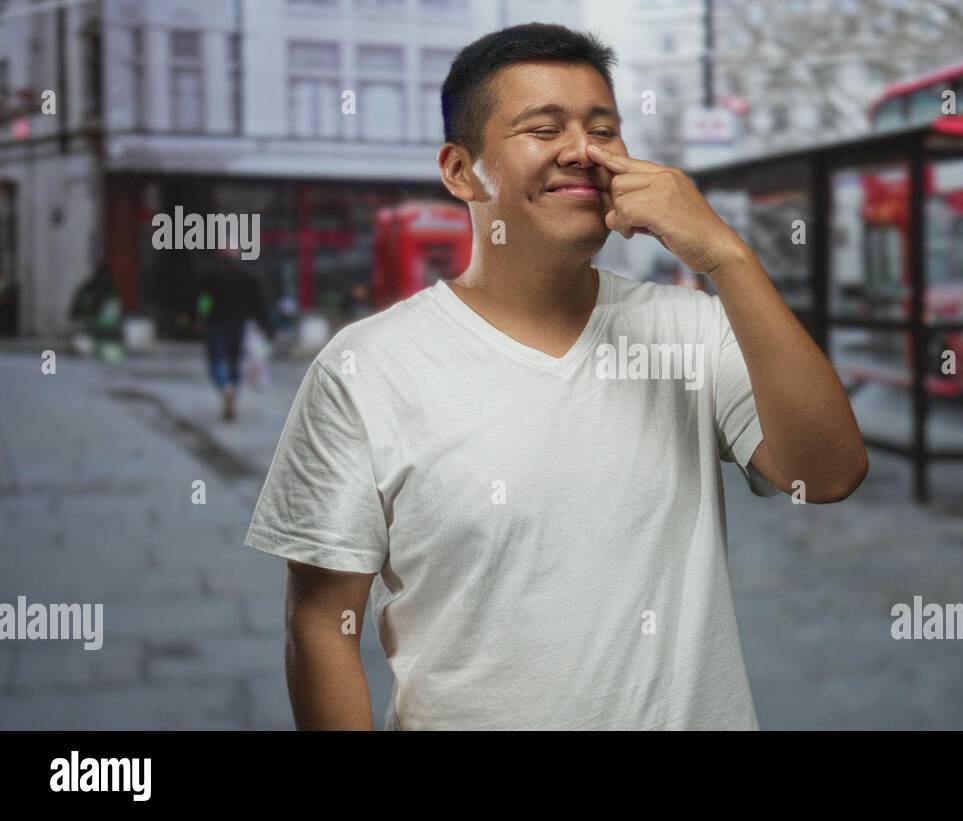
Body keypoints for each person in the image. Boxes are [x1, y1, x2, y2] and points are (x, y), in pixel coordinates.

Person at [244, 23, 868, 731]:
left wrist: (726, 255)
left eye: (603, 130)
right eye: (544, 129)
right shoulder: (366, 368)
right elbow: (321, 622)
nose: (583, 151)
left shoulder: (690, 329)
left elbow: (828, 474)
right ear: (460, 170)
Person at [194, 248, 273, 421]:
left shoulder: (209, 276)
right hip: (239, 324)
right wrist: (264, 324)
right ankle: (233, 390)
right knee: (235, 360)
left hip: (215, 323)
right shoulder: (247, 276)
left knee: (216, 358)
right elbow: (257, 302)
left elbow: (203, 300)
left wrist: (201, 317)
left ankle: (224, 387)